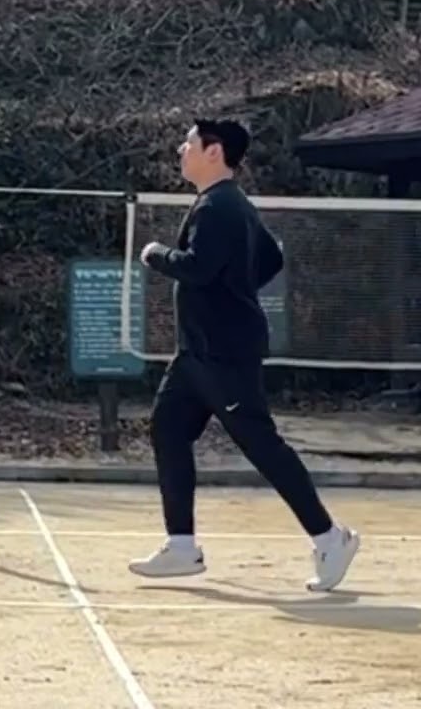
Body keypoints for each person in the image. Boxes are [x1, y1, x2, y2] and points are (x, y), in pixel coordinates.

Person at [130, 118, 358, 592]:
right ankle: (181, 546)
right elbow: (270, 259)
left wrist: (154, 253)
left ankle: (330, 538)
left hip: (224, 353)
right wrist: (235, 288)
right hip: (195, 353)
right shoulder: (225, 203)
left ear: (214, 152)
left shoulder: (221, 206)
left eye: (189, 143)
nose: (181, 150)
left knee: (262, 445)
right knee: (167, 429)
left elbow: (198, 268)